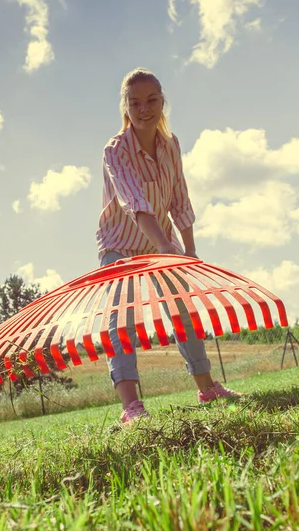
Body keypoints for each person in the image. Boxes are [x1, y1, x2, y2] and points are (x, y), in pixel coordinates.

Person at [96, 67, 242, 424]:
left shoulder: (171, 146)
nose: (145, 109)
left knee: (183, 309)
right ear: (125, 108)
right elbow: (135, 205)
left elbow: (180, 200)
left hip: (163, 242)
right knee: (123, 320)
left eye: (152, 100)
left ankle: (206, 388)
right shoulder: (116, 151)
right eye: (136, 103)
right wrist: (165, 246)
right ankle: (131, 406)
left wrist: (188, 252)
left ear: (163, 103)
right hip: (120, 244)